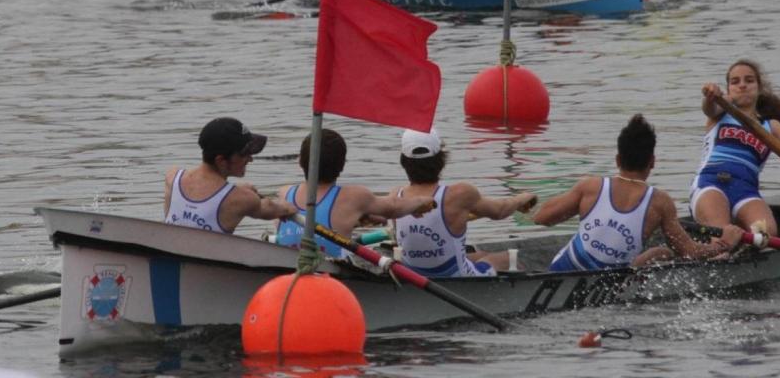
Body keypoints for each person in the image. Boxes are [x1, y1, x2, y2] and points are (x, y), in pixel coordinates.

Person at [533, 114, 744, 271]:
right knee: (665, 254)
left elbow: (541, 218)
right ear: (652, 162)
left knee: (661, 253)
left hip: (562, 269)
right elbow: (689, 253)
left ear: (617, 160)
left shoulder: (590, 186)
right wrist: (725, 243)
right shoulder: (660, 203)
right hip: (609, 283)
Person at [690, 59, 780, 238]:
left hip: (746, 191)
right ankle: (723, 250)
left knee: (766, 234)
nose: (742, 85)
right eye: (735, 82)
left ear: (758, 87)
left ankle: (743, 249)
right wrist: (711, 96)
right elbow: (709, 108)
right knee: (721, 236)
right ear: (728, 90)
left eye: (749, 81)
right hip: (710, 184)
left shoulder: (771, 126)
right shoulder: (720, 113)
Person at [391, 128, 538, 277]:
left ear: (404, 162)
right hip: (456, 276)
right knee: (507, 258)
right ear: (441, 160)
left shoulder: (395, 196)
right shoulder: (460, 194)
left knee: (481, 254)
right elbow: (500, 211)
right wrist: (521, 198)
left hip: (412, 275)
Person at [274, 128, 435, 258]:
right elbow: (393, 207)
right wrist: (420, 201)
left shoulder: (284, 193)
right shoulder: (353, 197)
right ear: (342, 165)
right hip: (330, 283)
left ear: (300, 161)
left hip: (287, 278)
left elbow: (313, 220)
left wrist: (357, 219)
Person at [164, 117, 296, 234]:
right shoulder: (243, 199)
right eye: (244, 154)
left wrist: (237, 189)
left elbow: (206, 193)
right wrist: (288, 207)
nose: (250, 159)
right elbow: (270, 208)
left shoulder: (173, 177)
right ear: (221, 161)